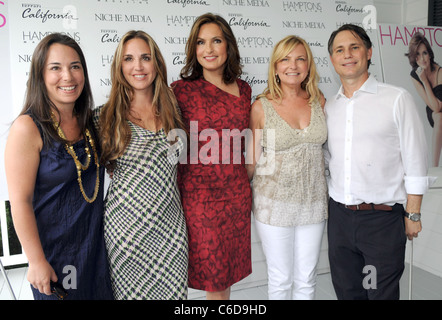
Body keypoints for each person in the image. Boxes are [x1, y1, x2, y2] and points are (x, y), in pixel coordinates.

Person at [326, 24, 434, 300]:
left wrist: (414, 214)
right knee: (348, 293)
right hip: (339, 219)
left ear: (368, 52)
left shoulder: (396, 99)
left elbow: (416, 160)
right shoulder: (330, 106)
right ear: (332, 59)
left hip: (380, 222)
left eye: (354, 47)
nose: (347, 55)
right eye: (340, 50)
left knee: (377, 293)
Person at [4, 33, 113, 300]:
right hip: (55, 261)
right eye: (56, 68)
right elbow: (20, 202)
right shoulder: (28, 128)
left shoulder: (90, 122)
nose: (68, 76)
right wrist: (36, 261)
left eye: (75, 66)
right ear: (40, 75)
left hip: (96, 255)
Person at [96, 30, 188, 300]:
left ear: (157, 63)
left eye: (145, 58)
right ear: (119, 66)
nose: (138, 66)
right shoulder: (104, 116)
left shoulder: (176, 110)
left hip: (171, 231)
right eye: (129, 59)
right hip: (126, 234)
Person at [171, 13, 252, 300]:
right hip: (200, 199)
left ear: (228, 45)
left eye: (216, 40)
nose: (209, 49)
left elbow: (250, 142)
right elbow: (168, 142)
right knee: (214, 279)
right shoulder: (180, 91)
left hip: (237, 196)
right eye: (201, 42)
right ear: (193, 49)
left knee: (226, 276)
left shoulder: (244, 90)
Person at [245, 35, 327, 300]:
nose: (293, 65)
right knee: (280, 278)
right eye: (286, 59)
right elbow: (252, 160)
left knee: (307, 278)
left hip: (313, 203)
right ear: (276, 67)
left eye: (300, 58)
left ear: (308, 65)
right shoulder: (261, 107)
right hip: (273, 205)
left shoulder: (319, 102)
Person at [406, 32, 442, 167]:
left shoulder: (440, 71)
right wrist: (423, 79)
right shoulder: (415, 74)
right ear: (414, 58)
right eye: (418, 55)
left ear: (430, 54)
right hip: (433, 107)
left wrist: (425, 81)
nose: (422, 59)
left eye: (425, 53)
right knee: (438, 116)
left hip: (438, 104)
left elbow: (439, 105)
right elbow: (434, 107)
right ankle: (435, 166)